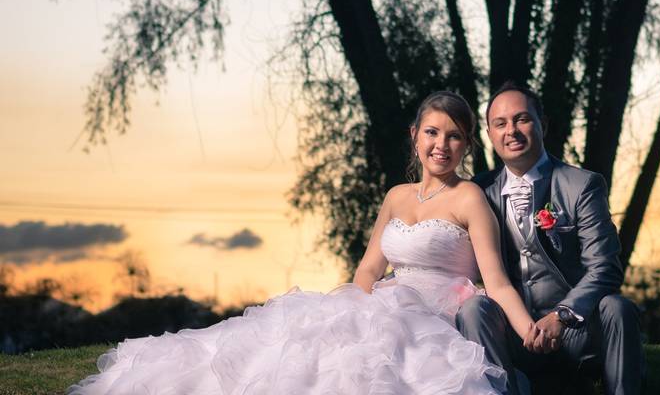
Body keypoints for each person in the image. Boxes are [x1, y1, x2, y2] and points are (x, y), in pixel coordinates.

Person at [69, 91, 538, 395]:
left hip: (437, 318)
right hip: (386, 304)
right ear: (414, 136)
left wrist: (526, 329)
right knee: (309, 350)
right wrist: (365, 309)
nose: (442, 145)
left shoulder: (470, 197)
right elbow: (369, 269)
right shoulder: (396, 197)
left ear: (467, 145)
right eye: (432, 132)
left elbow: (494, 282)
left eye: (454, 136)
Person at [456, 81, 645, 395]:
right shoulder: (477, 191)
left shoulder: (581, 184)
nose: (511, 131)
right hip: (513, 337)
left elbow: (605, 267)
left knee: (617, 307)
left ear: (542, 124)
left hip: (576, 334)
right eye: (500, 124)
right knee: (473, 310)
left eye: (522, 119)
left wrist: (562, 315)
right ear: (489, 135)